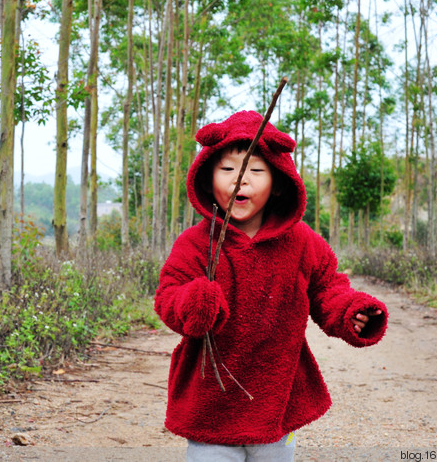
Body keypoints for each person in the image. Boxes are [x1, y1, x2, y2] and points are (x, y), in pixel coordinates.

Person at [154, 110, 388, 461]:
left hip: (276, 401)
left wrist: (349, 311)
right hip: (211, 403)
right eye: (228, 169)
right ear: (207, 178)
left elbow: (328, 289)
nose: (239, 181)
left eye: (255, 171)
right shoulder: (195, 243)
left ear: (278, 182)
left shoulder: (301, 243)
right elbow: (169, 296)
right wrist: (194, 302)